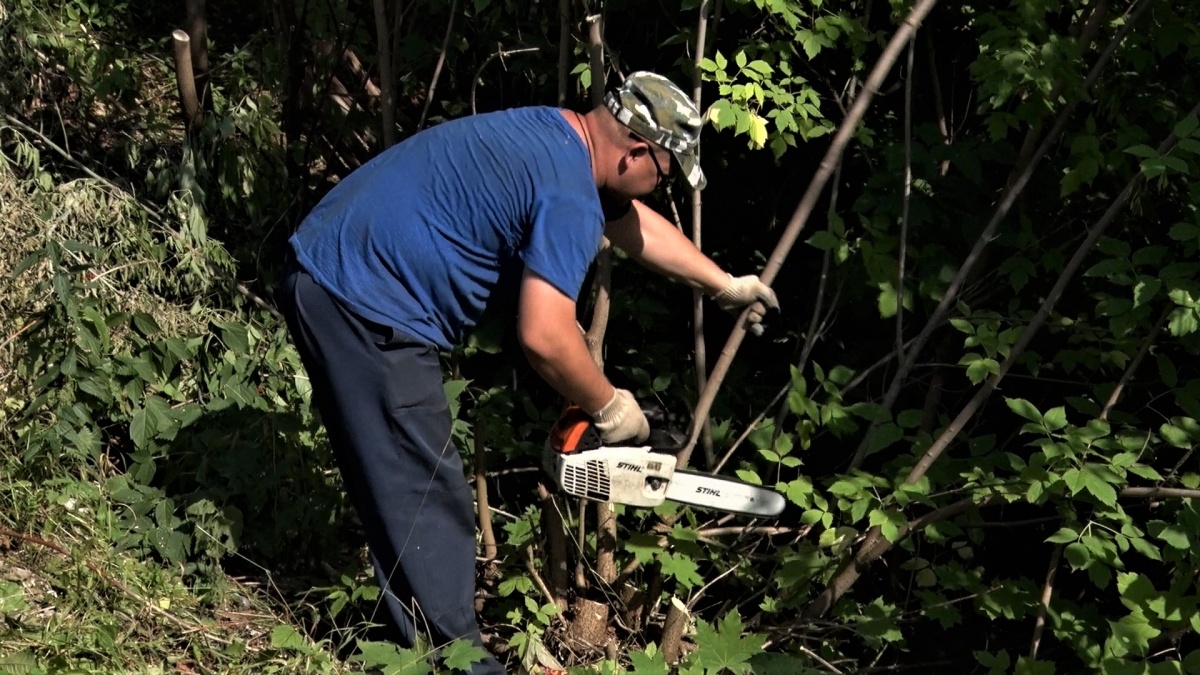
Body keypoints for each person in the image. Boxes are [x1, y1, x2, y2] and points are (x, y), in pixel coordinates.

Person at [276, 71, 778, 674]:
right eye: (664, 175)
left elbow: (627, 222)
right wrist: (611, 408)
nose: (660, 188)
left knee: (395, 482)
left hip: (330, 268)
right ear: (637, 152)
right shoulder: (570, 194)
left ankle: (411, 647)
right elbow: (544, 336)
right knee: (428, 496)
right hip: (364, 303)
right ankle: (462, 666)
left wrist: (722, 283)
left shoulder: (557, 135)